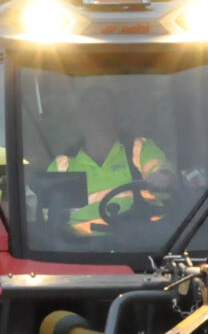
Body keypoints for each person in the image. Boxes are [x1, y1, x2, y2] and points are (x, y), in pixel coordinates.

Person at [48, 85, 176, 234]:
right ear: (80, 119)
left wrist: (162, 178)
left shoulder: (141, 149)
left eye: (103, 107)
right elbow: (45, 217)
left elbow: (163, 174)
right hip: (79, 251)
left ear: (116, 115)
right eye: (90, 108)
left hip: (143, 245)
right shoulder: (62, 166)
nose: (96, 113)